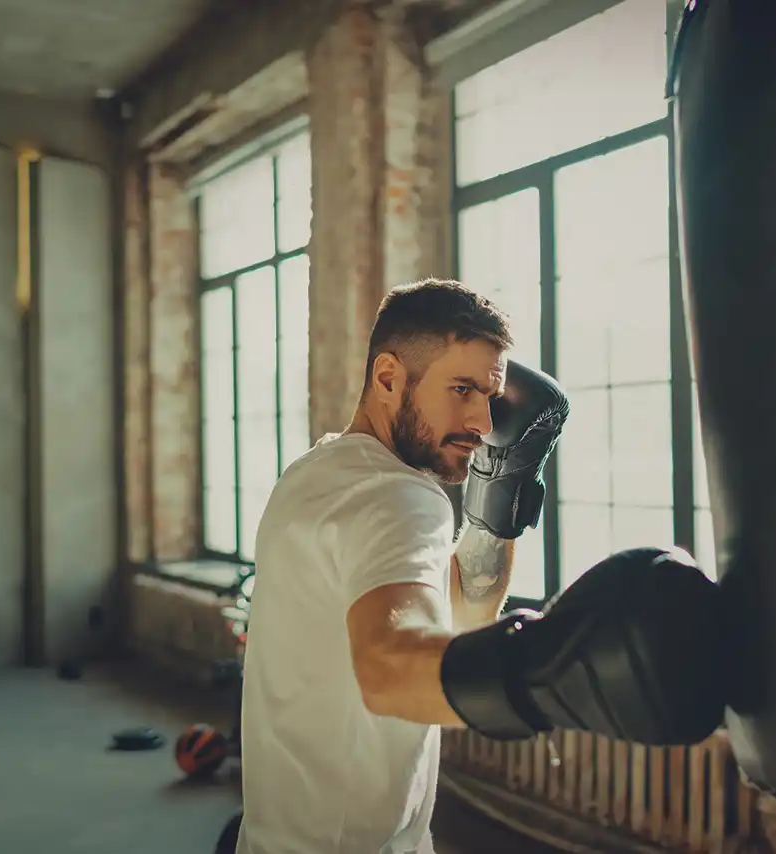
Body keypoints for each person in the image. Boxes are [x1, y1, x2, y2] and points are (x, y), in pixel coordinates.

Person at [234, 278, 727, 854]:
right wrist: (551, 674)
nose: (483, 422)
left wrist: (497, 498)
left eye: (489, 396)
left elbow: (462, 614)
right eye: (461, 389)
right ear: (388, 377)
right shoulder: (392, 496)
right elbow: (389, 671)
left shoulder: (321, 470)